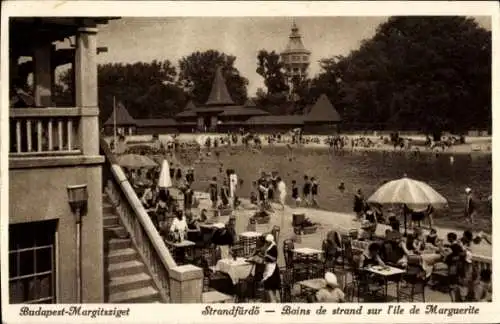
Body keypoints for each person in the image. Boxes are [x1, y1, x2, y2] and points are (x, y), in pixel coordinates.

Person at [262, 234, 281, 303]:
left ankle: (273, 300)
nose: (266, 243)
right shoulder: (269, 246)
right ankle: (273, 299)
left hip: (272, 268)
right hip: (268, 266)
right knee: (270, 285)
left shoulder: (274, 248)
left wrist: (267, 255)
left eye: (267, 242)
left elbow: (274, 259)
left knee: (270, 285)